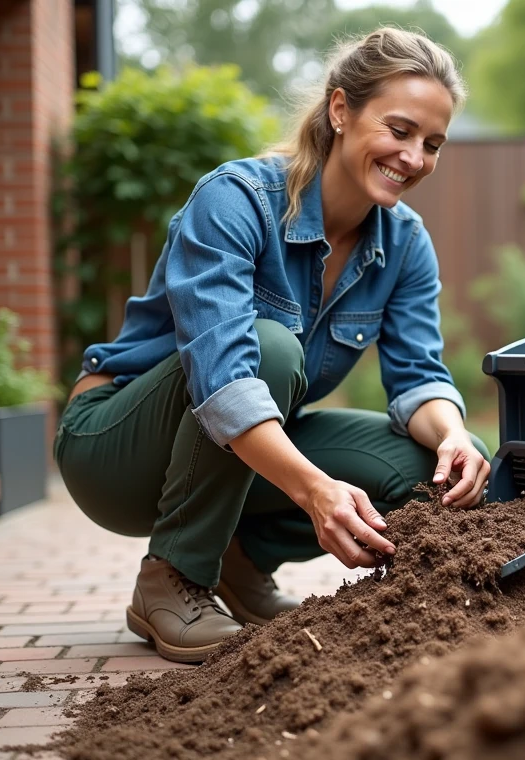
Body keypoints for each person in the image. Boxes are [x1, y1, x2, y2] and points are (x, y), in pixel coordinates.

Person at [54, 28, 491, 664]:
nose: (414, 157)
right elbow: (227, 378)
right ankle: (171, 578)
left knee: (441, 463)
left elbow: (418, 375)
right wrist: (317, 491)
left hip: (231, 450)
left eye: (432, 144)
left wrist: (452, 433)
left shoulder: (404, 243)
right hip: (114, 448)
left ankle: (241, 560)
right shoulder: (238, 201)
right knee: (271, 350)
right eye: (399, 130)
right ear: (341, 110)